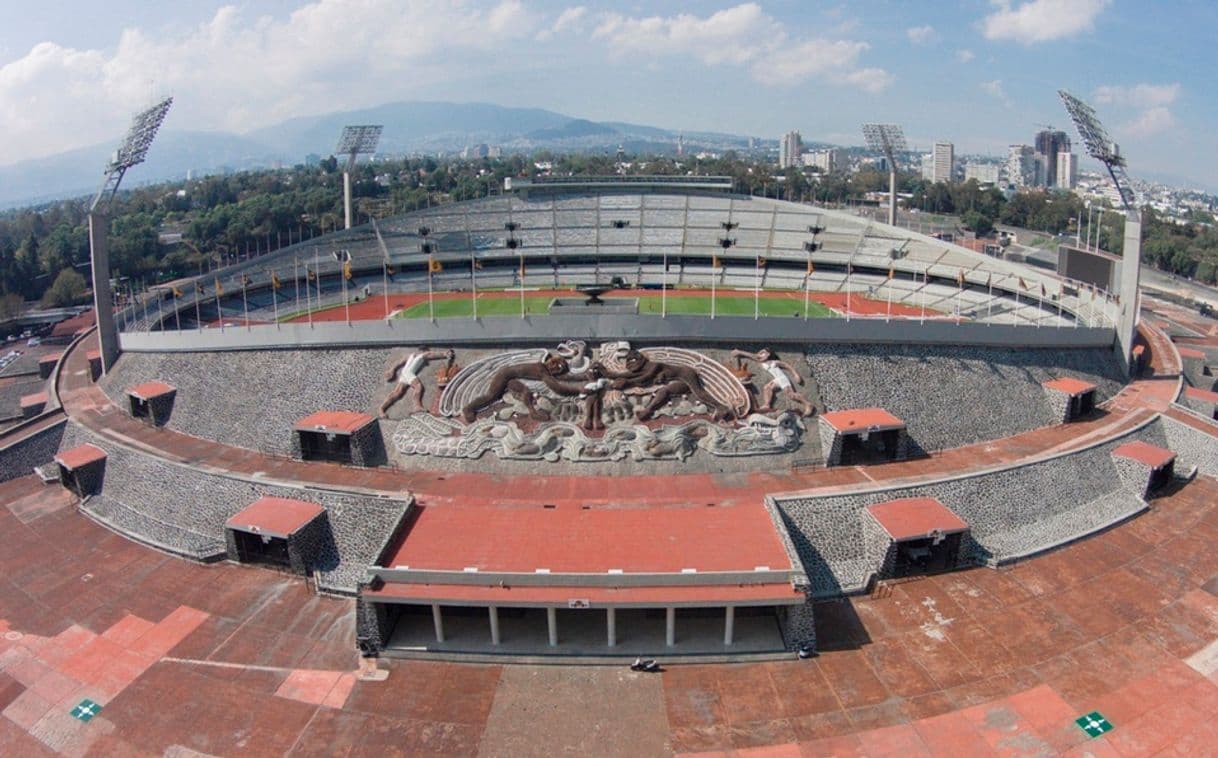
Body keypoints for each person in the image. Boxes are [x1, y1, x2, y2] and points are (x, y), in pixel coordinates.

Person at [731, 348, 814, 417]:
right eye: (759, 353)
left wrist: (796, 375)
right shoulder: (762, 363)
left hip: (782, 379)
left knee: (791, 395)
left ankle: (808, 404)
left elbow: (786, 366)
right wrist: (739, 352)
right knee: (767, 388)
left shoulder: (774, 362)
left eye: (763, 353)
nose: (760, 354)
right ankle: (767, 405)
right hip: (777, 380)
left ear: (768, 355)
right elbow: (755, 357)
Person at [380, 348, 453, 417]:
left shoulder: (410, 355)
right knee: (418, 386)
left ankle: (382, 409)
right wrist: (444, 354)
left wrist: (392, 369)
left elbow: (399, 362)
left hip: (404, 373)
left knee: (397, 392)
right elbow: (431, 354)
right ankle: (417, 406)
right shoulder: (422, 355)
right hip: (408, 373)